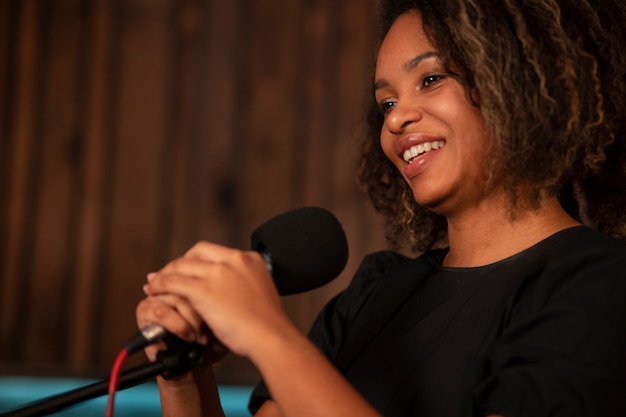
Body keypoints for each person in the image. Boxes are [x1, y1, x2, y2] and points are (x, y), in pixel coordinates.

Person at [136, 0, 626, 416]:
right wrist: (184, 372)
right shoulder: (375, 293)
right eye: (386, 104)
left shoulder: (600, 284)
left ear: (520, 85)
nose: (398, 119)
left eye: (431, 78)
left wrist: (266, 335)